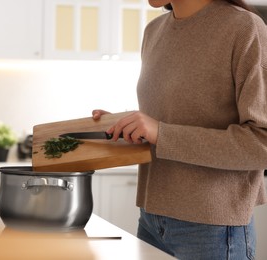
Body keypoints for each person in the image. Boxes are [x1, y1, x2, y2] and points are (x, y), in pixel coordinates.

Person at [92, 0, 267, 259]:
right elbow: (171, 120)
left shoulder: (244, 28)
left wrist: (160, 133)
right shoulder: (154, 31)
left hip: (212, 230)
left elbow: (261, 143)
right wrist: (129, 126)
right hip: (151, 220)